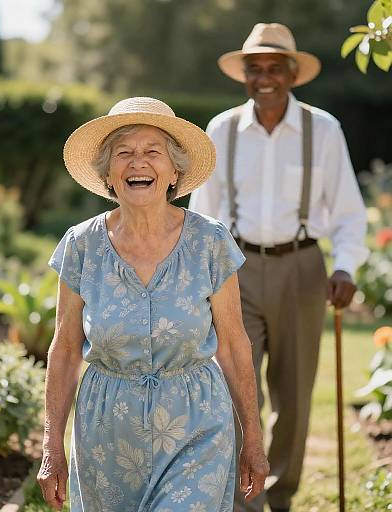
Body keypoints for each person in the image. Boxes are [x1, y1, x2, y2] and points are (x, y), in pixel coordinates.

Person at [37, 96, 269, 511]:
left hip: (196, 425)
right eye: (123, 153)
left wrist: (253, 438)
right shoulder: (81, 245)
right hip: (106, 432)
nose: (137, 163)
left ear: (174, 170)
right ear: (108, 173)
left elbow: (234, 345)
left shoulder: (210, 242)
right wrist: (51, 446)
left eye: (152, 152)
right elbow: (66, 348)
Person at [189, 23, 369, 512]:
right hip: (236, 270)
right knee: (235, 389)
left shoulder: (324, 130)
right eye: (255, 69)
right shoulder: (221, 130)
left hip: (304, 269)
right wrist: (205, 280)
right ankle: (242, 499)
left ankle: (282, 496)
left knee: (293, 397)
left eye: (274, 68)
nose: (264, 77)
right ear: (244, 75)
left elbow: (350, 214)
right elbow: (205, 215)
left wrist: (346, 268)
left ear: (292, 74)